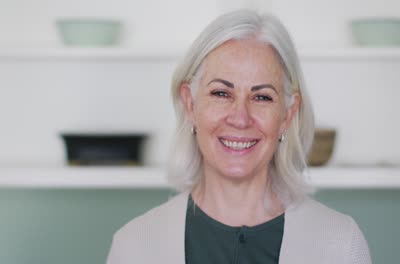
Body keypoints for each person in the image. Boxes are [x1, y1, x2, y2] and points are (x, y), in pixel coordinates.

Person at [107, 9, 371, 264]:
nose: (240, 118)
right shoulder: (134, 247)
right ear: (190, 104)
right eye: (221, 93)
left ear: (287, 114)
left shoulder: (341, 245)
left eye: (261, 97)